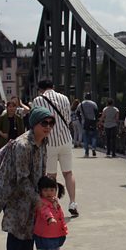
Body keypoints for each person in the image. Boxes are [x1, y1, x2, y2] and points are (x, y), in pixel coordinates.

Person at [0, 106, 56, 250]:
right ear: (34, 124)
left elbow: (40, 172)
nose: (48, 127)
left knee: (30, 229)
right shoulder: (23, 145)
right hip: (15, 194)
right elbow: (22, 177)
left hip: (32, 193)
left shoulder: (43, 142)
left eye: (51, 123)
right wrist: (37, 199)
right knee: (17, 231)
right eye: (44, 123)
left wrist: (47, 193)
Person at [31, 79, 79, 217]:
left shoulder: (37, 100)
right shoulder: (64, 98)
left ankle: (53, 205)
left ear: (40, 89)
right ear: (53, 86)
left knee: (51, 176)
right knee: (68, 173)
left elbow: (35, 122)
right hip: (65, 140)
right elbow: (68, 119)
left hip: (49, 142)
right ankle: (73, 203)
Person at [33, 175, 69, 250]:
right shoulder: (41, 202)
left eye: (52, 190)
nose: (49, 193)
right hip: (44, 234)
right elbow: (45, 212)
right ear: (40, 191)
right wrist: (50, 218)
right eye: (45, 190)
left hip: (55, 233)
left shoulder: (54, 201)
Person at [79, 92, 99, 157]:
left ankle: (86, 152)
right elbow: (96, 113)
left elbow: (77, 113)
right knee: (94, 136)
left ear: (85, 97)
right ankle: (93, 148)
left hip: (84, 122)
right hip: (92, 121)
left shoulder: (81, 104)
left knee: (85, 137)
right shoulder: (93, 104)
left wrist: (81, 119)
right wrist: (96, 120)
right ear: (90, 97)